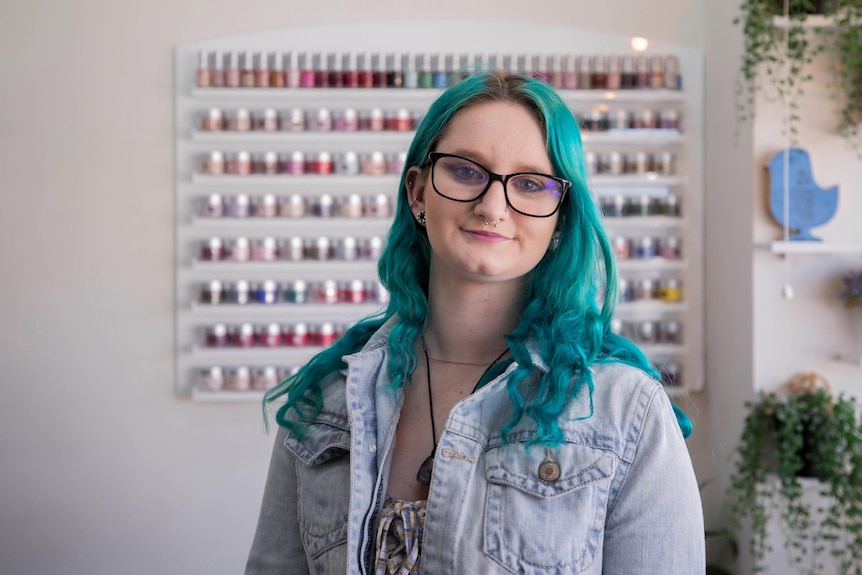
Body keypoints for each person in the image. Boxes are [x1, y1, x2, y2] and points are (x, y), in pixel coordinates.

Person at [246, 69, 705, 575]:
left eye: (530, 184)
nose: (492, 207)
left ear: (560, 217)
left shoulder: (626, 410)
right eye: (466, 171)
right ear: (417, 192)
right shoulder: (326, 399)